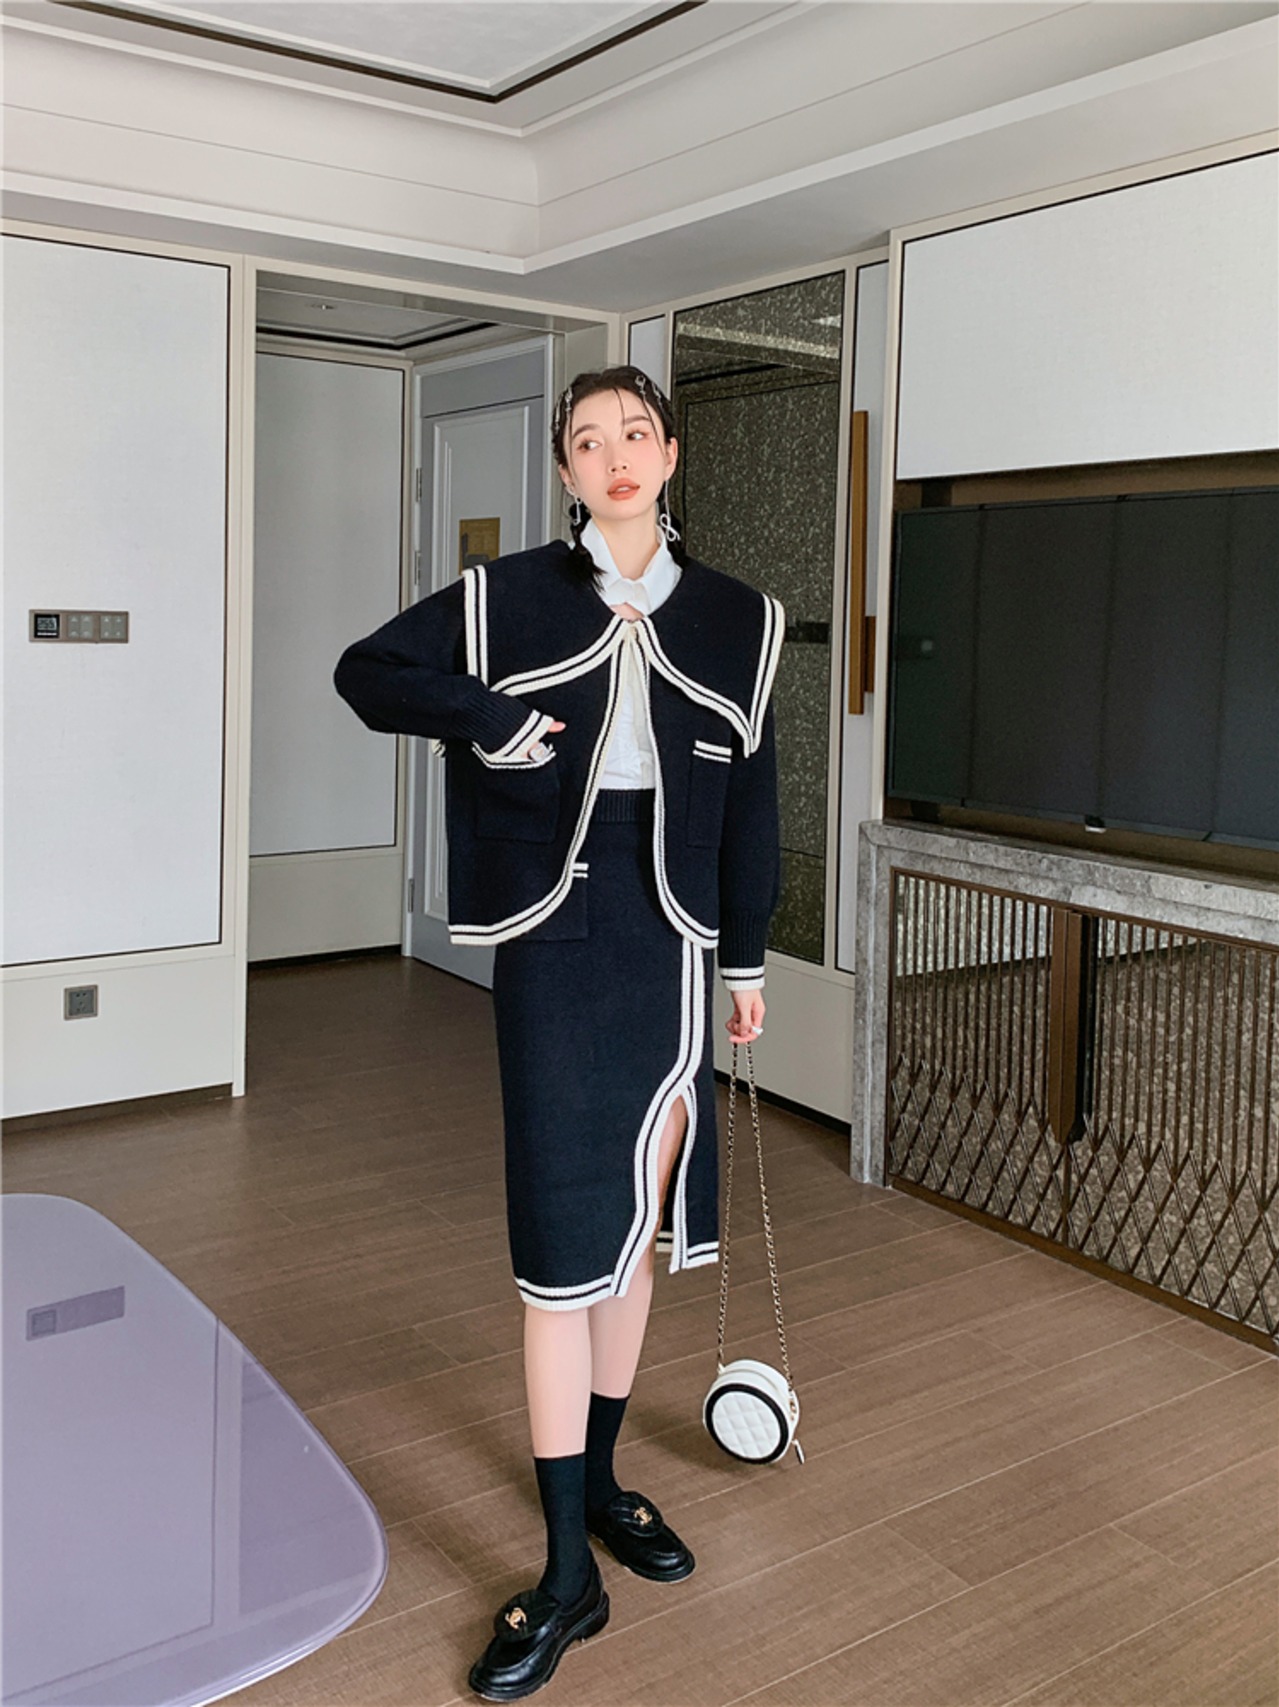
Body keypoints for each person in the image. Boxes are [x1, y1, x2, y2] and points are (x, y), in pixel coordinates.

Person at [334, 364, 783, 1700]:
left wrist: (746, 959)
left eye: (636, 432)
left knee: (637, 1226)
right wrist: (484, 718)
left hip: (678, 937)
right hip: (556, 931)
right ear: (568, 471)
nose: (615, 454)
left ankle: (599, 1481)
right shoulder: (504, 598)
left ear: (672, 452)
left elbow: (753, 800)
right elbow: (368, 673)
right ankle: (564, 1572)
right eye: (588, 440)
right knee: (557, 1251)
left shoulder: (740, 619)